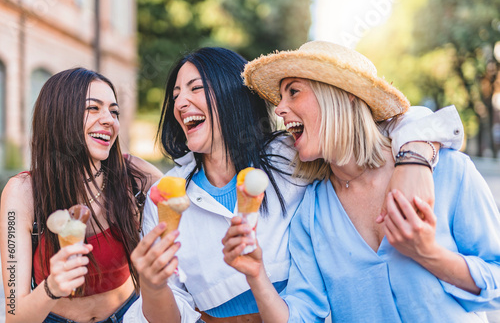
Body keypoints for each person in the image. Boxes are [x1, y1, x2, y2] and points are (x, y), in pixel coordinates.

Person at [124, 47, 463, 323]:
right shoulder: (168, 195)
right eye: (176, 94)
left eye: (196, 88)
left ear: (231, 94)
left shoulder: (292, 154)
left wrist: (415, 157)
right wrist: (153, 285)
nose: (180, 102)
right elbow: (167, 315)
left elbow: (375, 126)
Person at [222, 41, 500, 322]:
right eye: (280, 98)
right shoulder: (311, 213)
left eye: (293, 92)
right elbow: (303, 315)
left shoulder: (447, 170)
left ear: (344, 95)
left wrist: (430, 255)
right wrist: (256, 275)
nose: (280, 109)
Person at [0, 68, 163, 323]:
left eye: (114, 111)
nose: (110, 119)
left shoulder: (135, 175)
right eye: (93, 108)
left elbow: (192, 208)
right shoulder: (22, 193)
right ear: (58, 116)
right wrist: (51, 288)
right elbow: (14, 317)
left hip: (129, 315)